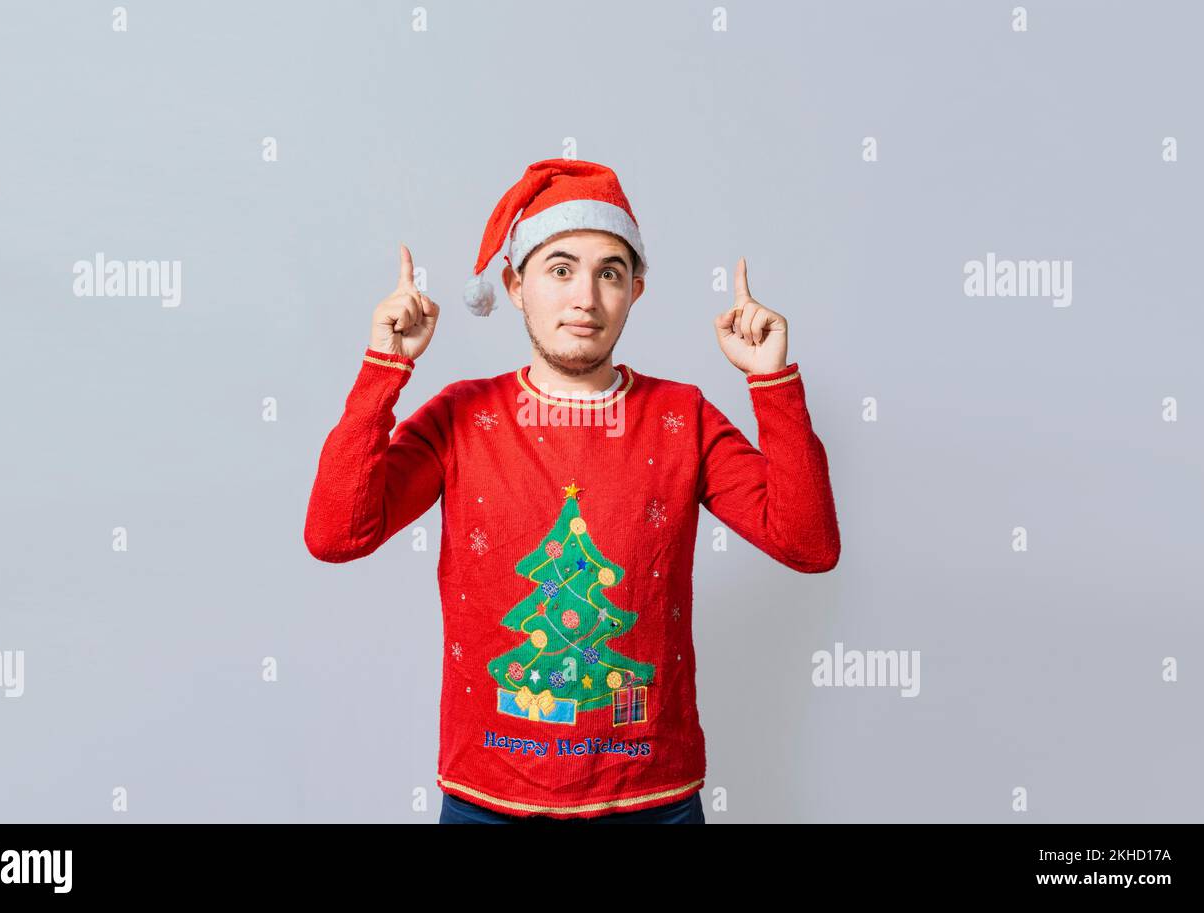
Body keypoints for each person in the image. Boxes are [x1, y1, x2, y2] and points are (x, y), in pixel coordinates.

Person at [304, 158, 841, 823]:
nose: (585, 297)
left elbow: (808, 543)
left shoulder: (685, 416)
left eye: (608, 273)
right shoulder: (459, 417)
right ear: (514, 284)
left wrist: (773, 383)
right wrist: (384, 369)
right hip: (488, 799)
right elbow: (335, 534)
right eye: (560, 269)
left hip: (653, 800)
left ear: (634, 291)